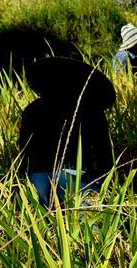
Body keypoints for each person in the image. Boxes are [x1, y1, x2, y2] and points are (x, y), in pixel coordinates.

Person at [19, 56, 115, 208]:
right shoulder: (90, 110)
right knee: (95, 225)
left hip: (37, 179)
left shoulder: (32, 110)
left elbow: (24, 151)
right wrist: (105, 183)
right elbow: (104, 154)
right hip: (75, 177)